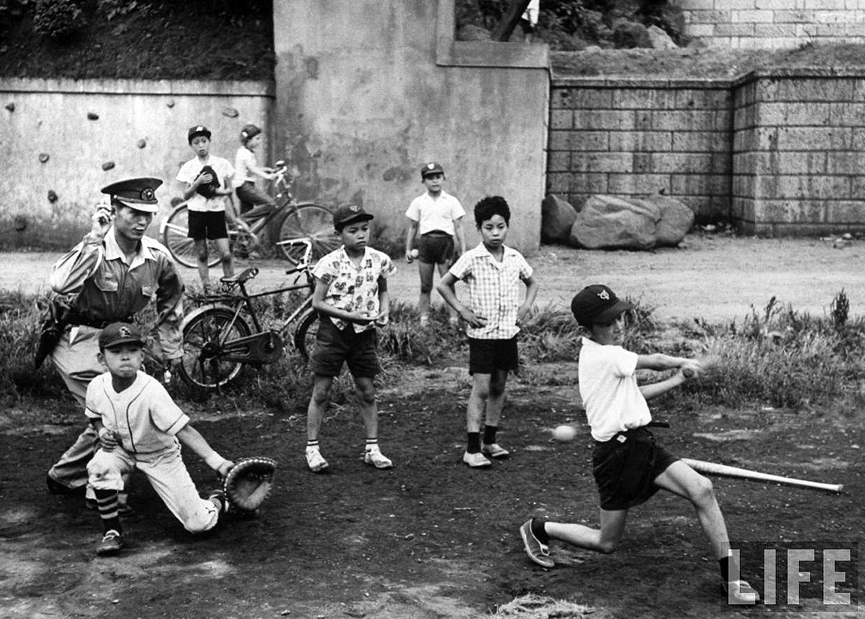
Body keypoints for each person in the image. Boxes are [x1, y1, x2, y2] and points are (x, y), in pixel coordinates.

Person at [518, 284, 760, 605]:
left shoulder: (611, 356)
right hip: (615, 456)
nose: (617, 326)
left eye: (619, 318)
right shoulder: (604, 356)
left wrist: (679, 380)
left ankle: (731, 580)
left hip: (641, 444)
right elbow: (657, 360)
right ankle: (539, 527)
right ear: (586, 330)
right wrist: (683, 360)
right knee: (607, 543)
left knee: (702, 489)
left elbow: (635, 395)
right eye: (607, 322)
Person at [45, 177, 185, 510]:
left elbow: (172, 298)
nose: (141, 221)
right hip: (78, 338)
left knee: (124, 410)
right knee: (115, 409)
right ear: (114, 210)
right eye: (133, 212)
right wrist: (93, 238)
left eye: (147, 214)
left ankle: (65, 475)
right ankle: (104, 489)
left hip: (121, 342)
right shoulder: (96, 249)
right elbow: (59, 284)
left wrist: (170, 350)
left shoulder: (156, 256)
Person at [85, 322, 234, 555]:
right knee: (100, 465)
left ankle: (217, 501)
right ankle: (112, 531)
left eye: (132, 350)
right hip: (122, 451)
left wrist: (217, 461)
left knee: (199, 525)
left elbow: (183, 430)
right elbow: (94, 416)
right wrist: (101, 431)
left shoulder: (152, 391)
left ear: (141, 355)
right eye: (116, 352)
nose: (125, 357)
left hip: (159, 455)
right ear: (101, 359)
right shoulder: (96, 386)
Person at [437, 196, 539, 468]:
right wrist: (463, 311)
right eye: (488, 228)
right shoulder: (471, 258)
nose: (495, 233)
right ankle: (471, 448)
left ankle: (490, 441)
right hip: (482, 336)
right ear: (478, 228)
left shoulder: (515, 257)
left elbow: (532, 282)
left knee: (499, 387)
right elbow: (444, 284)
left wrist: (525, 307)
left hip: (507, 333)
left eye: (500, 227)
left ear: (507, 226)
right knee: (480, 389)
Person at [304, 204, 397, 473]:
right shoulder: (330, 263)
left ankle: (372, 448)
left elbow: (383, 290)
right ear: (339, 234)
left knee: (366, 390)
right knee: (321, 391)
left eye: (364, 229)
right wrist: (348, 315)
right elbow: (317, 303)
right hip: (333, 332)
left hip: (363, 333)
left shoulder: (379, 259)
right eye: (352, 230)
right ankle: (312, 449)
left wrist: (385, 311)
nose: (360, 235)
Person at [176, 124, 240, 292]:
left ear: (209, 142)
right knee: (202, 253)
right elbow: (186, 195)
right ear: (191, 146)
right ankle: (208, 290)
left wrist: (218, 195)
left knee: (225, 254)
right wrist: (197, 183)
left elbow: (229, 189)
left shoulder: (221, 163)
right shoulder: (188, 167)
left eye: (204, 141)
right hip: (196, 212)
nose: (201, 145)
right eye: (196, 142)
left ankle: (230, 290)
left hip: (216, 212)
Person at [404, 162, 466, 327]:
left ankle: (454, 318)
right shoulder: (419, 201)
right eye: (430, 178)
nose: (434, 181)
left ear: (443, 178)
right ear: (423, 181)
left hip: (445, 244)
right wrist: (408, 249)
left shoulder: (451, 201)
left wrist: (464, 250)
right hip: (426, 243)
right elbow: (413, 226)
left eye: (438, 177)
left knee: (448, 282)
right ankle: (424, 318)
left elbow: (459, 226)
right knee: (425, 285)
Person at [234, 123, 278, 225]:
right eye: (257, 138)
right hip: (245, 187)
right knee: (271, 204)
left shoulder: (246, 151)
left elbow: (250, 168)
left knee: (247, 221)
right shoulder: (245, 153)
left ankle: (238, 236)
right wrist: (267, 176)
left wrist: (267, 170)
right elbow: (253, 169)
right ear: (249, 140)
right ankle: (241, 221)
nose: (259, 141)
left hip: (245, 187)